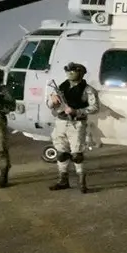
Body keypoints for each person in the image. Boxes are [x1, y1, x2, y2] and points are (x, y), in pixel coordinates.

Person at [47, 62, 99, 193]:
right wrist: (52, 101)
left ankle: (82, 183)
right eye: (68, 71)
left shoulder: (88, 90)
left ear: (80, 73)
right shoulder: (61, 88)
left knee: (77, 155)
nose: (70, 73)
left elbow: (94, 107)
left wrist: (77, 111)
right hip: (60, 122)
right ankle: (63, 180)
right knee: (61, 153)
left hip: (76, 124)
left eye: (73, 71)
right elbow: (50, 104)